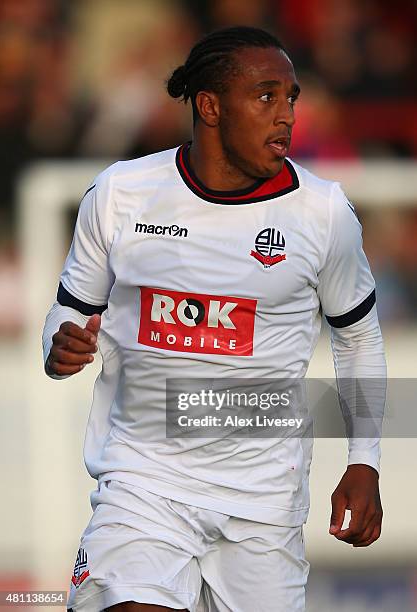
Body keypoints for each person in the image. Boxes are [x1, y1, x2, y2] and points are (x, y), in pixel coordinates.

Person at [42, 26, 386, 612]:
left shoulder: (322, 213)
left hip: (263, 501)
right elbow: (71, 312)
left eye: (291, 98)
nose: (286, 116)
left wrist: (365, 462)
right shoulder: (122, 194)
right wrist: (59, 346)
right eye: (266, 96)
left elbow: (357, 339)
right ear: (209, 106)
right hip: (142, 483)